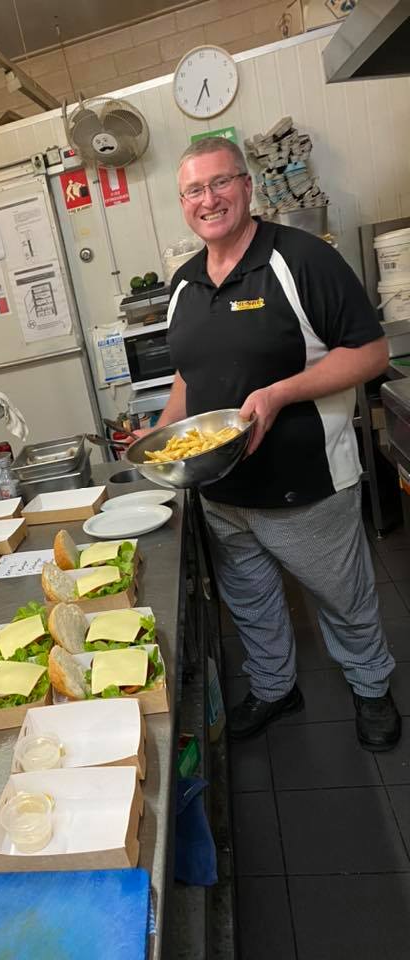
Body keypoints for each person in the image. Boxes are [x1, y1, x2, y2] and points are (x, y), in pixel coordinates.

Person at [147, 136, 399, 751]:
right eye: (194, 190)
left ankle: (371, 688)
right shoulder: (183, 285)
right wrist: (160, 435)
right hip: (220, 487)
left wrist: (282, 392)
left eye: (221, 182)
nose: (210, 199)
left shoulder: (301, 259)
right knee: (251, 599)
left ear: (246, 185)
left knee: (342, 596)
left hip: (304, 482)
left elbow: (371, 353)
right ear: (182, 202)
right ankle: (275, 686)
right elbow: (189, 375)